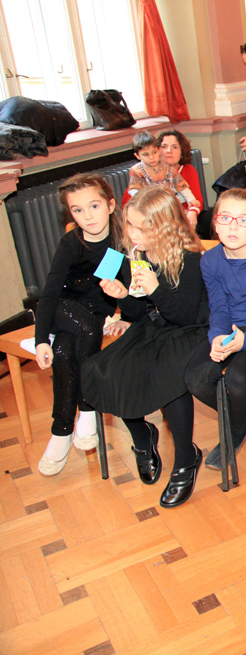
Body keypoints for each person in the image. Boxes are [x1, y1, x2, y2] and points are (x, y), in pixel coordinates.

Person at [81, 188, 208, 508]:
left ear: (165, 228)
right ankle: (142, 436)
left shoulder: (190, 257)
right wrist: (122, 295)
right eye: (129, 225)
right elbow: (139, 314)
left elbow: (184, 316)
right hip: (153, 327)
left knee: (168, 377)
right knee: (104, 369)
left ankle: (186, 458)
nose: (133, 234)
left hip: (191, 330)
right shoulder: (128, 254)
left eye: (141, 228)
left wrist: (155, 288)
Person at [34, 175, 123, 476]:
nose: (88, 216)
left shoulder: (120, 241)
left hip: (94, 314)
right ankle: (87, 408)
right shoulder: (71, 243)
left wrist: (124, 316)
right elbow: (49, 293)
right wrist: (40, 340)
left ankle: (61, 431)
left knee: (64, 351)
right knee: (86, 328)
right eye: (78, 210)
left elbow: (126, 285)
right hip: (62, 308)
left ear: (110, 205)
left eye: (94, 206)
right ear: (70, 214)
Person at [184, 189, 246, 470]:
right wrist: (218, 337)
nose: (233, 227)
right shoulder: (209, 260)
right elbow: (219, 307)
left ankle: (235, 432)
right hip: (229, 326)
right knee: (197, 378)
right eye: (225, 218)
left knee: (238, 380)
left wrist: (245, 340)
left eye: (243, 220)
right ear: (214, 223)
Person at [125, 133, 199, 228]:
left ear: (159, 150)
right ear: (137, 156)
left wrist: (191, 199)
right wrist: (143, 202)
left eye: (154, 152)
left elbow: (182, 186)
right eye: (146, 154)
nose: (151, 157)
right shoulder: (137, 170)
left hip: (170, 205)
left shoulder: (169, 167)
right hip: (150, 208)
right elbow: (133, 190)